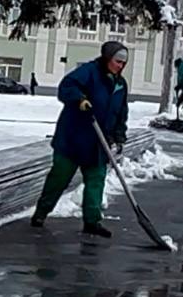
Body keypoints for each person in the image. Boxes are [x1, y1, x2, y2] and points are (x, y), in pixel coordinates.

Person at [30, 40, 129, 238]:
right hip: (74, 138)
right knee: (59, 178)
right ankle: (41, 213)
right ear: (108, 58)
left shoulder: (120, 84)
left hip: (99, 143)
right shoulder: (89, 72)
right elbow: (66, 86)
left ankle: (92, 222)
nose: (121, 66)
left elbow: (121, 113)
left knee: (96, 182)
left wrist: (119, 136)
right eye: (118, 61)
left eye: (123, 63)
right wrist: (80, 99)